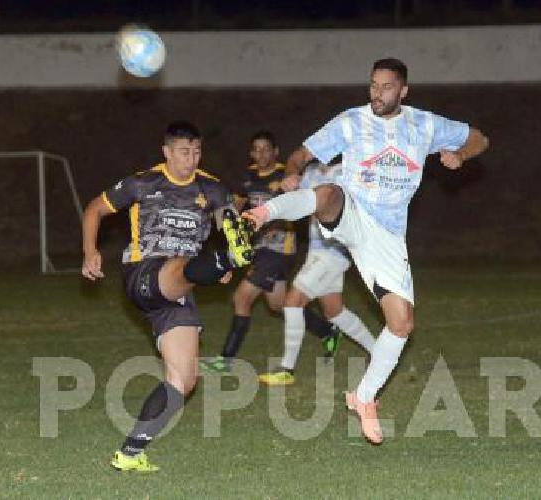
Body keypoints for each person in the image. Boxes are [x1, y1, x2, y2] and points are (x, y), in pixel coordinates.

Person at [241, 58, 490, 444]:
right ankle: (257, 217)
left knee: (402, 323)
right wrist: (291, 171)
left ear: (403, 91)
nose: (377, 93)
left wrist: (461, 155)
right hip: (352, 212)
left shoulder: (425, 125)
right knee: (327, 195)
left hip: (387, 237)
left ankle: (363, 397)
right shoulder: (351, 121)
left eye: (386, 87)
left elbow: (479, 138)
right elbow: (301, 155)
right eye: (373, 85)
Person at [81, 120, 254, 472]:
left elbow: (228, 226)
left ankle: (130, 452)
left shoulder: (213, 189)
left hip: (179, 289)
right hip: (143, 273)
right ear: (167, 152)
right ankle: (214, 262)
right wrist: (89, 251)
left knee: (184, 380)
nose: (191, 159)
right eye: (183, 152)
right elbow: (94, 209)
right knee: (185, 263)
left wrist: (228, 256)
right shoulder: (142, 182)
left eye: (197, 152)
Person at [199, 131, 339, 375]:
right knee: (278, 305)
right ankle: (328, 331)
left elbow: (309, 202)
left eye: (266, 149)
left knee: (241, 298)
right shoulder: (248, 176)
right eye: (256, 149)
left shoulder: (288, 176)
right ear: (251, 153)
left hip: (279, 249)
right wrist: (215, 214)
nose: (261, 154)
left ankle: (226, 360)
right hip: (259, 248)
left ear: (276, 151)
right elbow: (236, 206)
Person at [257, 158, 379, 386]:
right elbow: (299, 201)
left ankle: (286, 369)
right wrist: (287, 186)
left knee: (293, 302)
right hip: (317, 251)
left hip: (334, 251)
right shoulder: (311, 171)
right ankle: (378, 353)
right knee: (335, 312)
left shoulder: (349, 171)